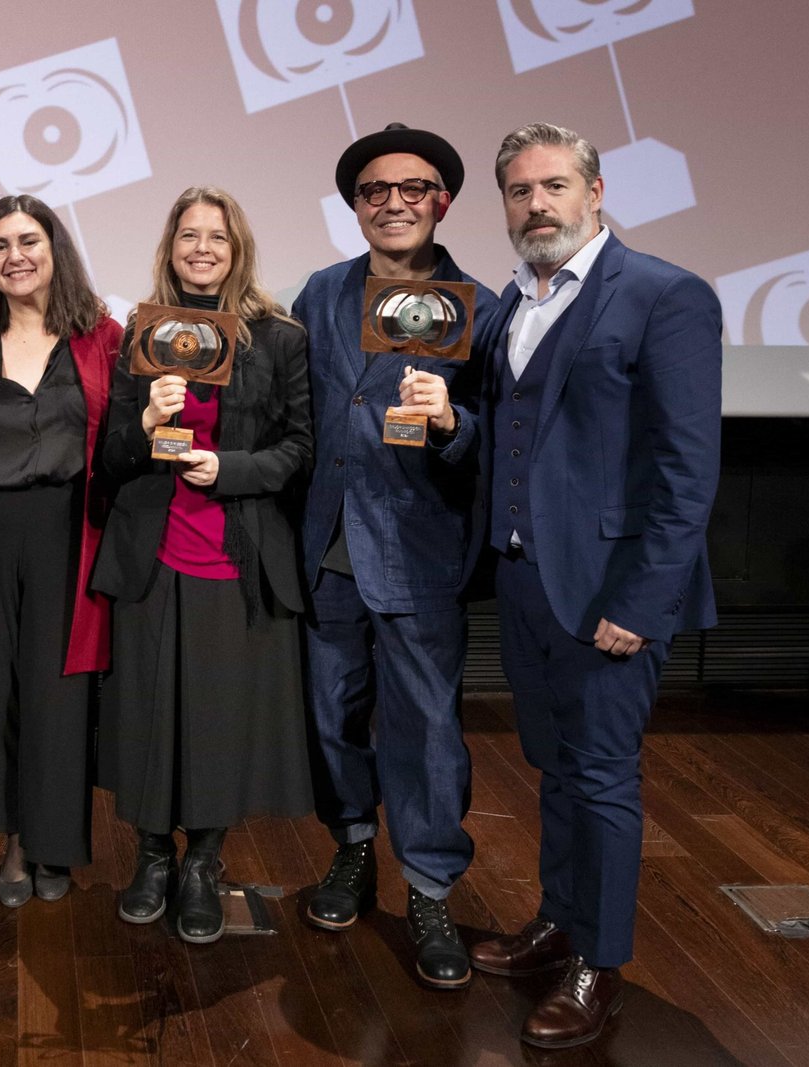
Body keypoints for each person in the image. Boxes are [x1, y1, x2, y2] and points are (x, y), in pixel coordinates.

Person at [469, 122, 720, 1049]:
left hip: (613, 594)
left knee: (606, 778)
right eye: (520, 190)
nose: (536, 204)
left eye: (554, 186)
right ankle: (558, 920)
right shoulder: (509, 304)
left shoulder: (666, 295)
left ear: (596, 191)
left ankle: (597, 964)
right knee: (556, 769)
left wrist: (643, 604)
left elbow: (687, 470)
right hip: (528, 579)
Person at [294, 123, 499, 989]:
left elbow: (504, 435)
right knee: (331, 712)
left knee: (424, 728)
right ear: (355, 206)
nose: (394, 203)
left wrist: (453, 424)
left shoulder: (481, 307)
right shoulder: (321, 291)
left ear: (441, 201)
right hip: (325, 540)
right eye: (376, 191)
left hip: (418, 547)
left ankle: (428, 886)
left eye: (413, 189)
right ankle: (350, 847)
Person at [93, 187, 314, 943]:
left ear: (236, 247)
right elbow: (112, 454)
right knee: (150, 717)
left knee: (218, 722)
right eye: (188, 235)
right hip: (151, 554)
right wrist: (147, 419)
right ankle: (153, 857)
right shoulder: (138, 336)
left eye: (215, 237)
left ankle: (204, 862)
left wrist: (231, 470)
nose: (201, 249)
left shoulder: (278, 338)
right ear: (170, 246)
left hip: (234, 550)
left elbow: (298, 449)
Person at [0, 194, 121, 906]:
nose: (15, 256)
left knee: (60, 692)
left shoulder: (104, 337)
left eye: (28, 241)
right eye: (0, 245)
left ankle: (56, 845)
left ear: (54, 249)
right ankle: (13, 840)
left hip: (70, 530)